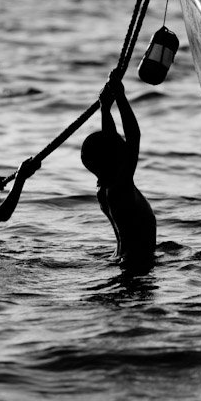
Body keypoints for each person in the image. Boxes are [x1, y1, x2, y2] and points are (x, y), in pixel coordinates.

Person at [81, 74, 156, 271]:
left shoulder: (108, 189)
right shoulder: (120, 188)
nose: (122, 142)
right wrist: (121, 97)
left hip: (124, 262)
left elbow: (111, 146)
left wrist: (106, 108)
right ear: (115, 157)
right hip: (135, 267)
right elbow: (134, 136)